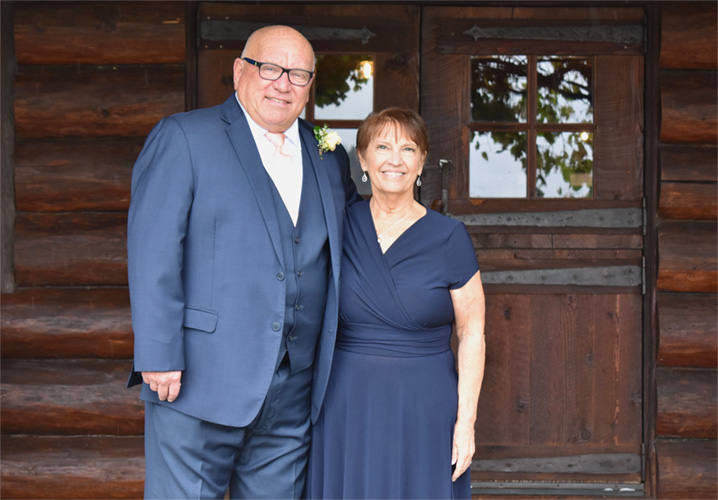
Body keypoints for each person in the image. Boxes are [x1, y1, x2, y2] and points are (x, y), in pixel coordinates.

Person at [126, 25, 360, 499]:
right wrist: (158, 353)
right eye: (270, 68)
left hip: (294, 390)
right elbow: (153, 249)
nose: (283, 83)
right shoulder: (184, 137)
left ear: (310, 85)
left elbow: (354, 239)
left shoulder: (328, 152)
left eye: (298, 74)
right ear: (239, 71)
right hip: (197, 380)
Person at [306, 107, 486, 499]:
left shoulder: (450, 236)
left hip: (423, 405)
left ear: (422, 162)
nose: (395, 159)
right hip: (345, 401)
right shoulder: (338, 224)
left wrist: (466, 422)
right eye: (383, 146)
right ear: (363, 160)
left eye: (408, 149)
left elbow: (472, 332)